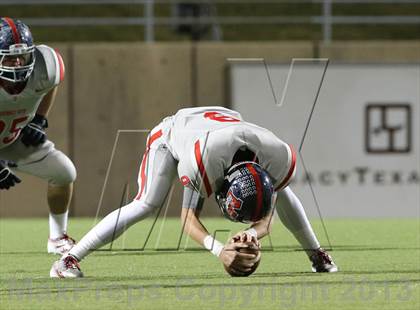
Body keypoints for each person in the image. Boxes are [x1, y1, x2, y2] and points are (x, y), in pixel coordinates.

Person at [50, 106, 337, 278]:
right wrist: (219, 249)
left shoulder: (279, 157)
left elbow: (268, 213)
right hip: (173, 133)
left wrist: (252, 234)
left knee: (284, 193)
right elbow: (187, 218)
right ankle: (68, 260)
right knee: (147, 203)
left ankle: (317, 254)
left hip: (219, 124)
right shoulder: (203, 161)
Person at [0, 18, 77, 254]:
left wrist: (39, 120)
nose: (17, 63)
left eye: (21, 56)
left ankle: (57, 238)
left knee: (64, 172)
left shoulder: (46, 66)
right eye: (9, 57)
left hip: (13, 140)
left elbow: (51, 83)